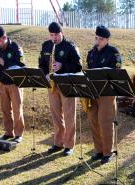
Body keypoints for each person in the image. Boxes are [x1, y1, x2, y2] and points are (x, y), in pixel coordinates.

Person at [38, 22, 82, 156]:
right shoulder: (46, 45)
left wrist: (62, 66)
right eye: (51, 35)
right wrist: (45, 73)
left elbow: (78, 67)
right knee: (56, 115)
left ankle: (69, 145)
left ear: (61, 33)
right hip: (52, 85)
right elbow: (42, 63)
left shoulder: (70, 46)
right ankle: (58, 143)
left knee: (69, 116)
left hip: (67, 84)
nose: (54, 38)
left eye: (56, 35)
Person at [86, 25, 122, 164]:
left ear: (107, 39)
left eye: (101, 39)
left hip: (107, 92)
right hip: (93, 92)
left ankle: (108, 152)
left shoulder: (114, 53)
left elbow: (117, 71)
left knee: (105, 122)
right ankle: (99, 150)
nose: (98, 41)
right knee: (94, 121)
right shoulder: (91, 53)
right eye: (96, 38)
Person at [0, 26, 25, 143]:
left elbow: (21, 65)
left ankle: (18, 134)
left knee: (17, 109)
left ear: (5, 37)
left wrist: (4, 63)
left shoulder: (15, 47)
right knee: (5, 109)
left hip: (15, 83)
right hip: (1, 82)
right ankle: (9, 133)